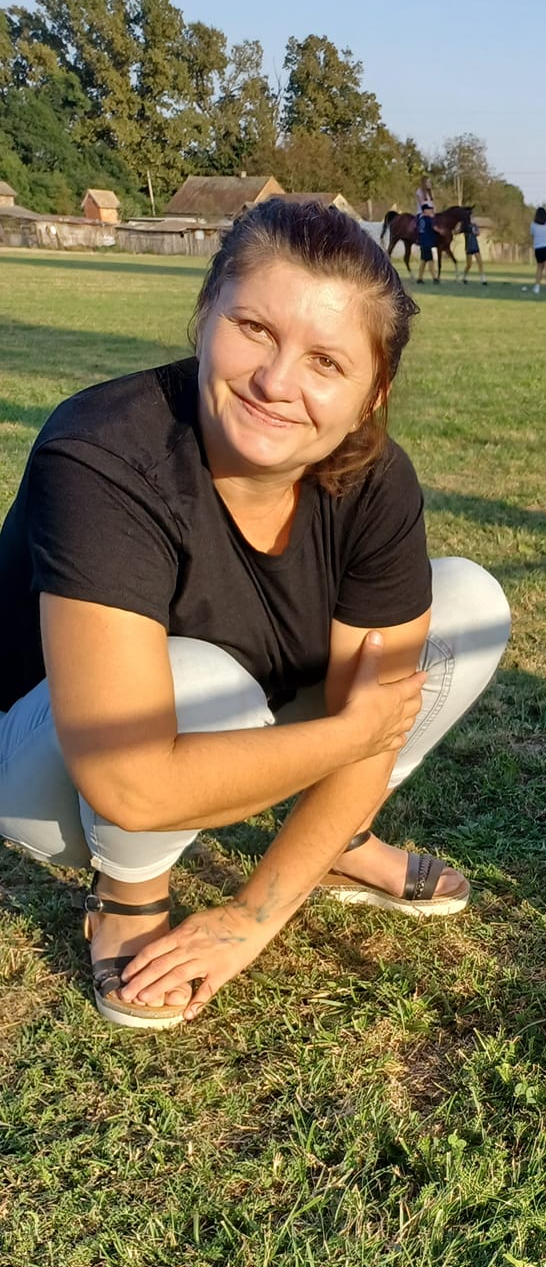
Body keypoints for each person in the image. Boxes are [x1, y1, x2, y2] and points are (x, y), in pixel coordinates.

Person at [0, 198, 512, 1031]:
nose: (277, 382)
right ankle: (129, 893)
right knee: (207, 682)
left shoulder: (377, 481)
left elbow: (380, 706)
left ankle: (339, 844)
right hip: (46, 772)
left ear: (373, 393)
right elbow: (127, 778)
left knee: (467, 602)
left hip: (225, 734)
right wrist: (352, 736)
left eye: (326, 361)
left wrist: (250, 918)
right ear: (206, 315)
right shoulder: (104, 454)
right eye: (254, 329)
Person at [413, 177, 436, 286]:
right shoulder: (419, 191)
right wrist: (429, 213)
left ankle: (421, 278)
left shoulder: (430, 193)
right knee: (427, 256)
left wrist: (433, 213)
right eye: (428, 182)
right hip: (423, 216)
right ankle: (434, 277)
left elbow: (433, 206)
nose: (429, 184)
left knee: (425, 257)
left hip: (430, 215)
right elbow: (423, 206)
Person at [529, 206, 546, 292]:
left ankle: (537, 287)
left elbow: (533, 236)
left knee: (539, 267)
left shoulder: (533, 224)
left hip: (538, 247)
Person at [460, 210, 486, 286]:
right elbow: (459, 231)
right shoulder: (465, 225)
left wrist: (476, 231)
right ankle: (464, 277)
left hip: (475, 245)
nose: (472, 217)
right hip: (468, 246)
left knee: (480, 262)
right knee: (469, 264)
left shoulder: (474, 225)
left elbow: (478, 233)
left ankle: (483, 279)